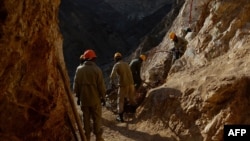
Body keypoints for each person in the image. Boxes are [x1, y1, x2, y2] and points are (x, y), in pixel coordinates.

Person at [73, 49, 106, 141]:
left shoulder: (79, 70)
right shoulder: (97, 69)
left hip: (84, 100)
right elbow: (101, 86)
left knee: (86, 119)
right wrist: (103, 97)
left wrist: (79, 97)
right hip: (95, 100)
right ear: (92, 58)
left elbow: (76, 86)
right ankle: (98, 138)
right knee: (97, 119)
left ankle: (86, 138)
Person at [110, 52, 136, 122]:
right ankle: (134, 111)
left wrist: (112, 83)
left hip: (123, 84)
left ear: (115, 59)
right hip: (131, 83)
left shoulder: (117, 65)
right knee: (131, 97)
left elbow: (112, 75)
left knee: (120, 100)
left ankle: (120, 116)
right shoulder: (126, 64)